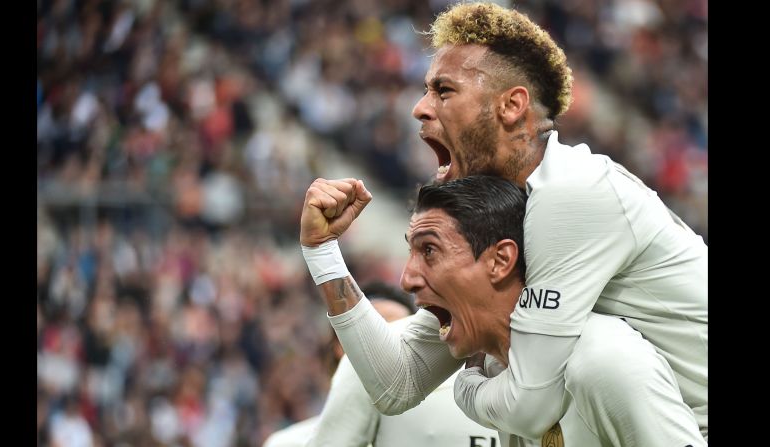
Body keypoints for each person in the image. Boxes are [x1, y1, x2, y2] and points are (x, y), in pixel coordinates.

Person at [300, 1, 707, 443]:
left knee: (590, 353)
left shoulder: (575, 193)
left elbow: (531, 405)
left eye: (443, 90)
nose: (420, 108)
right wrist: (322, 254)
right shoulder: (504, 215)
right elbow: (397, 382)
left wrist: (468, 382)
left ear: (512, 106)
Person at [301, 175, 704, 446]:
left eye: (429, 251)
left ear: (500, 261)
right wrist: (321, 254)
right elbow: (392, 384)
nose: (407, 278)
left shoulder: (602, 360)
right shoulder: (499, 371)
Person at [263, 281, 499, 447]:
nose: (380, 345)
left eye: (394, 330)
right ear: (340, 345)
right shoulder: (287, 443)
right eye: (370, 331)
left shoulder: (473, 408)